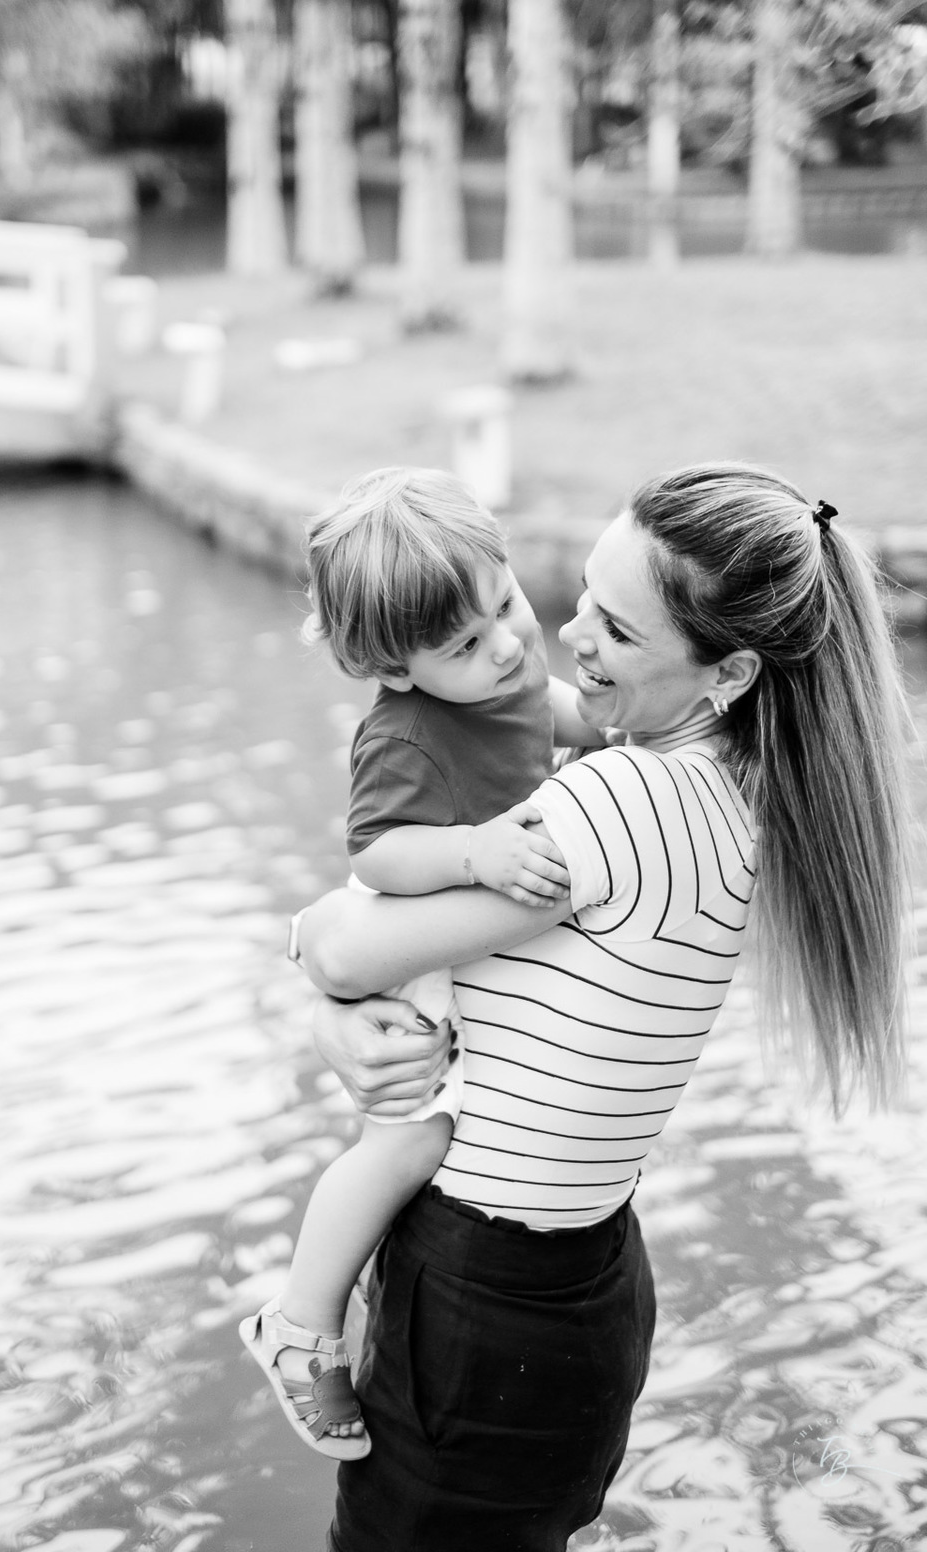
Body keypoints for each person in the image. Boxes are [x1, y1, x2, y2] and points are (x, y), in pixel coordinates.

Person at [295, 462, 911, 1551]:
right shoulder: (722, 780)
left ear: (727, 675)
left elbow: (344, 946)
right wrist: (343, 1016)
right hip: (578, 1285)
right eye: (580, 594)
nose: (565, 636)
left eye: (616, 632)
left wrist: (322, 977)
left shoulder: (619, 803)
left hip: (487, 1304)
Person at [239, 468, 601, 1460]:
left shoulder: (508, 670)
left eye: (508, 602)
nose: (510, 642)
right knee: (406, 1144)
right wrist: (474, 852)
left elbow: (566, 716)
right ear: (396, 669)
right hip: (414, 933)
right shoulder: (401, 734)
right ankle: (299, 1325)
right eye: (466, 644)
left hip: (459, 931)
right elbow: (377, 854)